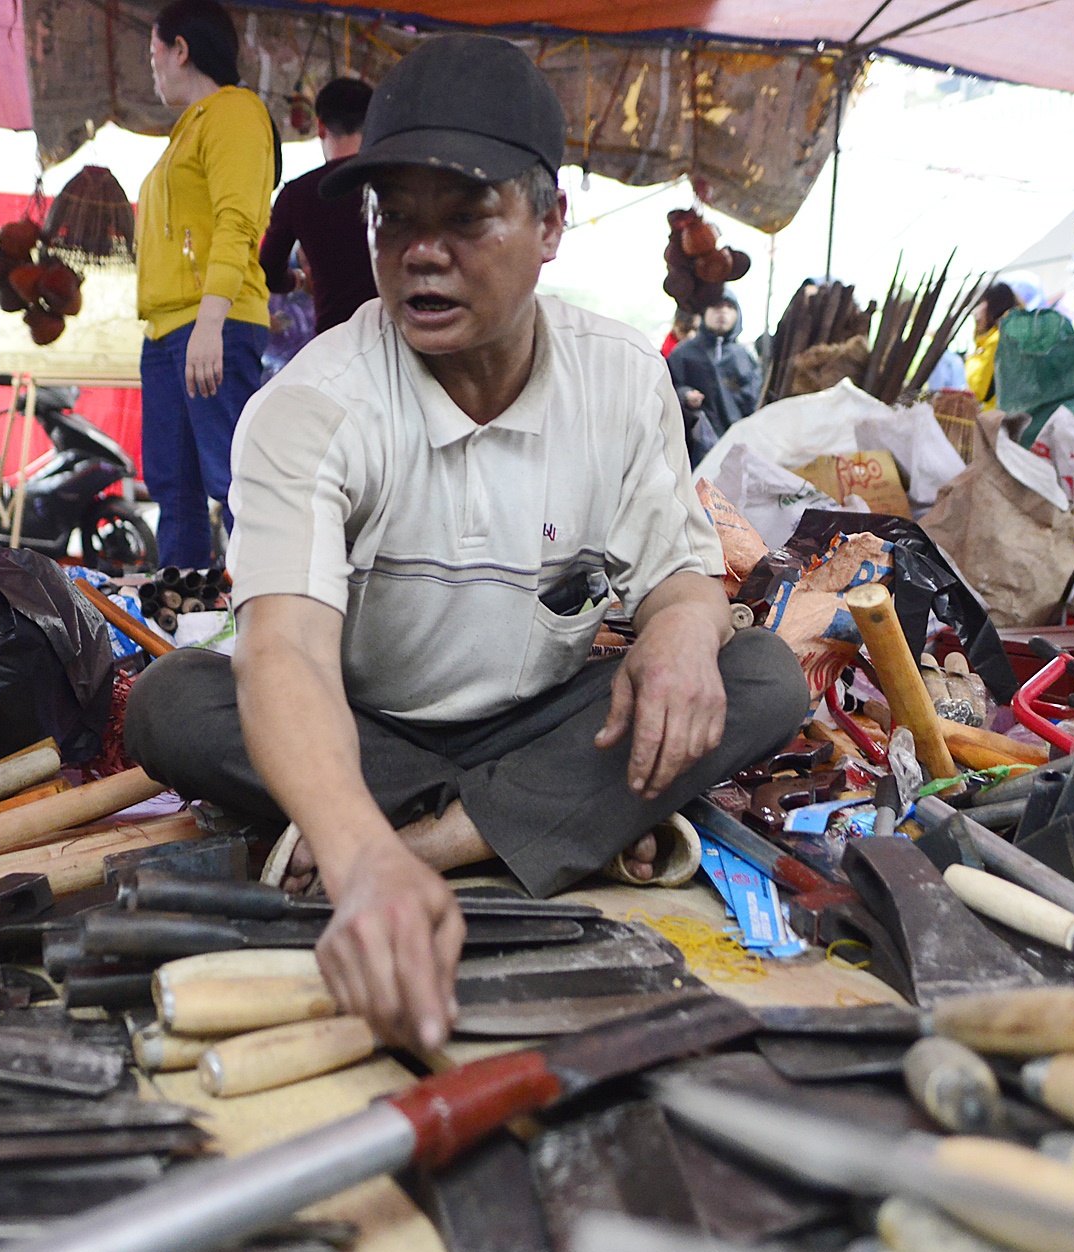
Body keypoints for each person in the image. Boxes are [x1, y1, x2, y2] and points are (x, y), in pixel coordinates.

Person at [123, 34, 809, 1054]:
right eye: (393, 216)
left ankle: (438, 841)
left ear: (551, 227)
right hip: (368, 729)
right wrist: (361, 862)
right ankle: (479, 827)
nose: (421, 252)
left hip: (541, 724)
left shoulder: (620, 380)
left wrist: (679, 633)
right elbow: (287, 652)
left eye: (467, 214)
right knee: (173, 701)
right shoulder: (313, 404)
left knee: (759, 674)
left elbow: (682, 575)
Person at [136, 0, 276, 568]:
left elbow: (238, 220)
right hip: (167, 328)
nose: (154, 68)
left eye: (154, 54)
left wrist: (211, 321)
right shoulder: (185, 131)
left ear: (181, 50)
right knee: (174, 489)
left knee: (233, 480)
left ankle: (264, 618)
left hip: (213, 320)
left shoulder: (234, 112)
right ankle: (182, 627)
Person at [258, 77, 378, 336]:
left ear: (321, 127)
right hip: (400, 333)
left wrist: (299, 279)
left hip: (336, 339)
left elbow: (268, 271)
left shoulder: (296, 194)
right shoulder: (395, 181)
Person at [667, 289, 760, 438]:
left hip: (738, 440)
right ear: (705, 312)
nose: (723, 312)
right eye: (716, 306)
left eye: (729, 307)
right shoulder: (683, 353)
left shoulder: (743, 356)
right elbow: (667, 389)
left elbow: (755, 399)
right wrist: (685, 395)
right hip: (694, 442)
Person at [966, 280, 1021, 410]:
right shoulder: (1015, 333)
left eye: (980, 303)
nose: (976, 311)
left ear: (990, 305)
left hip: (997, 418)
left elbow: (978, 391)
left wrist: (972, 358)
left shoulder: (996, 340)